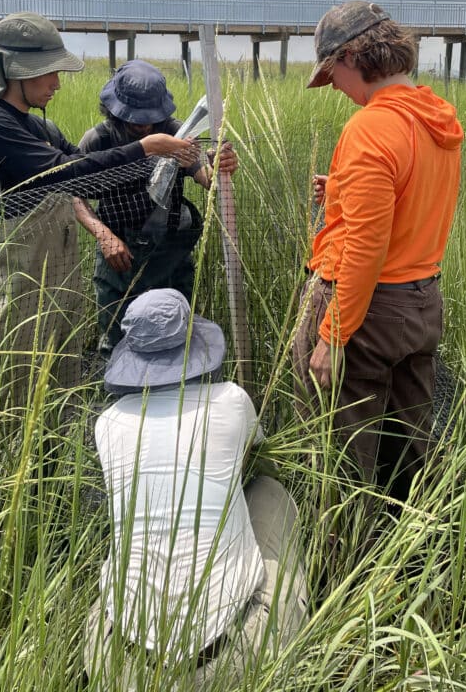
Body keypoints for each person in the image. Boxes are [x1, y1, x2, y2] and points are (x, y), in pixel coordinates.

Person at [0, 14, 199, 411]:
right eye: (48, 73)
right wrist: (145, 149)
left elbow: (88, 179)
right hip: (18, 264)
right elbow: (68, 172)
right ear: (17, 73)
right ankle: (5, 441)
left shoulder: (38, 127)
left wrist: (172, 156)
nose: (56, 83)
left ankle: (52, 441)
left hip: (54, 263)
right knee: (12, 358)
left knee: (57, 355)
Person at [84, 288, 307, 689]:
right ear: (193, 341)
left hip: (122, 665)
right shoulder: (232, 401)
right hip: (233, 658)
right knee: (271, 491)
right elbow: (260, 461)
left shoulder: (107, 424)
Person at [292, 0, 464, 501]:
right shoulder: (437, 119)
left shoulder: (371, 127)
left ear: (351, 58)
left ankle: (344, 562)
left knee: (340, 453)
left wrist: (332, 336)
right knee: (409, 446)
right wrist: (344, 186)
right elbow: (410, 198)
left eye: (333, 76)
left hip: (366, 312)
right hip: (421, 303)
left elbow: (366, 247)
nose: (338, 91)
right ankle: (413, 554)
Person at [78, 59, 238, 353]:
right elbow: (75, 197)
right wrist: (104, 236)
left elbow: (205, 177)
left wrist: (221, 168)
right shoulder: (98, 140)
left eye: (150, 117)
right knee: (116, 342)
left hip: (170, 252)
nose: (144, 124)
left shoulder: (177, 134)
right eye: (135, 118)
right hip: (119, 255)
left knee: (176, 340)